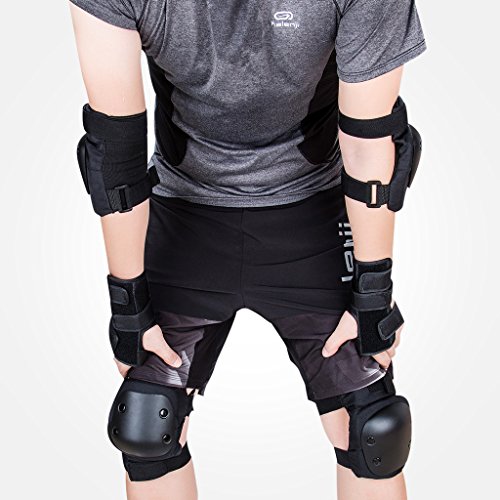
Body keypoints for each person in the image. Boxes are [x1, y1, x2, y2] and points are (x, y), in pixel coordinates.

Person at [68, 1, 427, 498]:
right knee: (147, 425)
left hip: (313, 215)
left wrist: (373, 296)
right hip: (186, 217)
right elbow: (116, 155)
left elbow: (370, 144)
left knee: (373, 429)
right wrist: (129, 307)